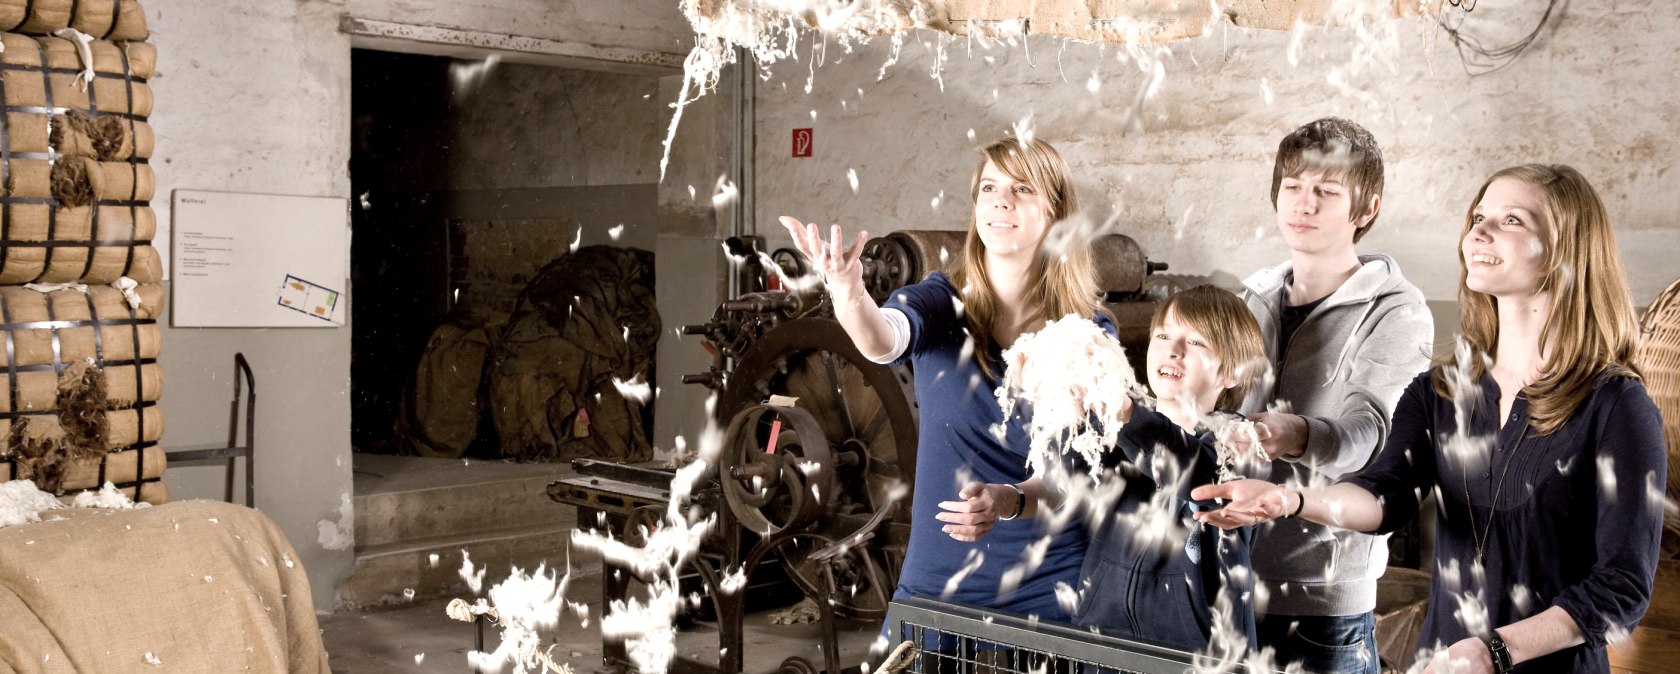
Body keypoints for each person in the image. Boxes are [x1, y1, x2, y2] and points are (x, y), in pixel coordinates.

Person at [1193, 164, 1666, 674]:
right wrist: (1290, 500)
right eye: (1478, 216)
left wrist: (1495, 650)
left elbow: (1622, 588)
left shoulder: (1616, 404)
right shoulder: (1441, 392)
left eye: (1512, 221)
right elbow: (1382, 497)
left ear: (1566, 252)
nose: (1479, 232)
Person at [779, 137, 1112, 623]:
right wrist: (848, 290)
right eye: (990, 188)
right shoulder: (940, 303)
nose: (1002, 200)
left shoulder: (1087, 334)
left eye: (1022, 189)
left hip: (1050, 589)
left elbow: (1076, 477)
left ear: (1055, 211)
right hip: (939, 585)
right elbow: (882, 340)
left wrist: (1010, 500)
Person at [943, 285, 1267, 654]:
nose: (1173, 350)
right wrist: (1007, 498)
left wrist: (1119, 407)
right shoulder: (1115, 427)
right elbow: (1063, 485)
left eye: (1197, 343)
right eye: (1163, 335)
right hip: (1104, 642)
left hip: (1196, 657)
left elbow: (1186, 470)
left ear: (1234, 373)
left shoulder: (1241, 443)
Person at [1237, 117, 1434, 672]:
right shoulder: (1252, 298)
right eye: (1293, 187)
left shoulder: (1397, 311)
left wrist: (1294, 433)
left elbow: (1373, 437)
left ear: (1365, 209)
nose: (1304, 204)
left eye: (1326, 192)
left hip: (1322, 601)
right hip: (1229, 580)